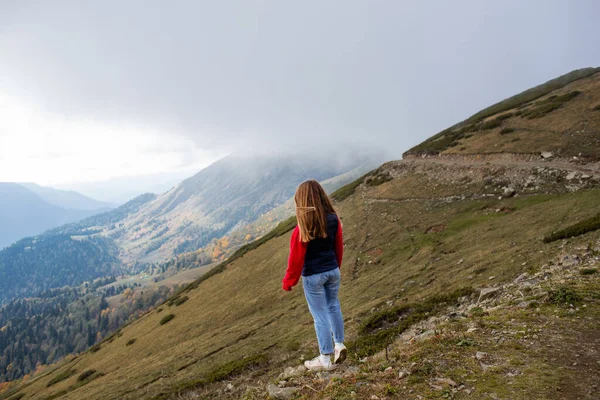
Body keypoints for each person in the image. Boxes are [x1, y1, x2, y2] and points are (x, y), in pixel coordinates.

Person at [282, 179, 346, 371]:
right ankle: (339, 345)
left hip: (313, 276)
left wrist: (289, 281)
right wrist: (336, 267)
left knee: (319, 315)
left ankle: (324, 358)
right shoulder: (334, 219)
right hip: (332, 271)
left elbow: (296, 258)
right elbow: (338, 246)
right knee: (333, 305)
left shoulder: (303, 227)